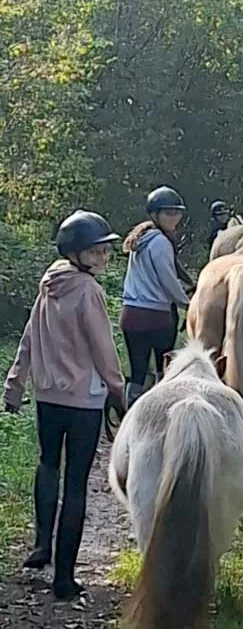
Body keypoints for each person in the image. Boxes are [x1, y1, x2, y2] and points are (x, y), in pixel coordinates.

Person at [3, 211, 125, 600]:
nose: (105, 255)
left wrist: (15, 382)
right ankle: (64, 578)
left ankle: (42, 545)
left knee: (47, 464)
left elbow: (29, 335)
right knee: (76, 482)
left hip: (48, 396)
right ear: (80, 254)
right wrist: (117, 388)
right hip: (84, 400)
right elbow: (102, 348)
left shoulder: (49, 281)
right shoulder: (88, 291)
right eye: (99, 250)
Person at [121, 186, 191, 407]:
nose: (174, 218)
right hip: (157, 316)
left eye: (176, 213)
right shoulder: (160, 242)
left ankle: (129, 413)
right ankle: (161, 411)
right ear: (155, 215)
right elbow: (168, 279)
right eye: (168, 213)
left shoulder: (140, 240)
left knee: (138, 371)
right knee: (165, 369)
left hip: (131, 314)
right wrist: (187, 303)